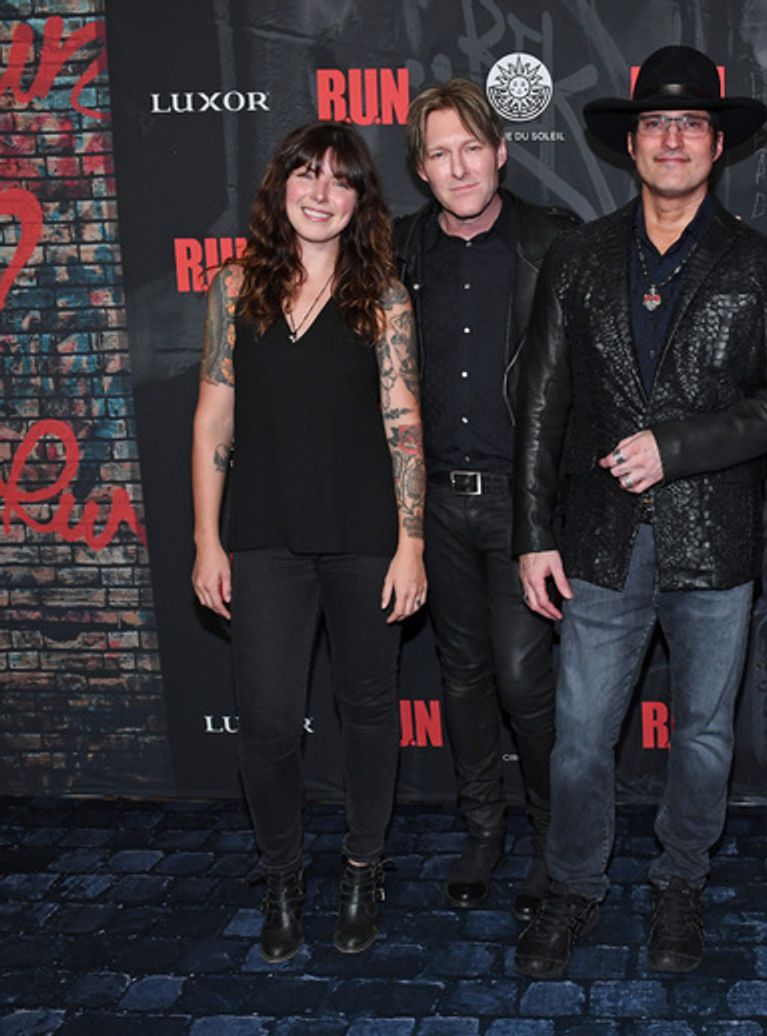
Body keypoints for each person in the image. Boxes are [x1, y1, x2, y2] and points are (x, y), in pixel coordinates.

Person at [512, 45, 767, 979]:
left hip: (714, 541)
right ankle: (572, 888)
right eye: (656, 124)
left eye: (691, 124)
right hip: (598, 543)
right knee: (578, 746)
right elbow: (540, 407)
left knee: (704, 739)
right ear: (631, 144)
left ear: (717, 147)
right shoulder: (578, 256)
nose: (673, 139)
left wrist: (673, 448)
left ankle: (680, 884)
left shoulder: (760, 264)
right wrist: (532, 536)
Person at [191, 121, 425, 963]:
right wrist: (204, 540)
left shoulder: (385, 296)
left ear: (361, 198)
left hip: (366, 536)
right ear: (280, 185)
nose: (320, 192)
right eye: (306, 174)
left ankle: (364, 867)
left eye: (340, 179)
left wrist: (411, 544)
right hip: (263, 539)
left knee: (367, 714)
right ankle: (282, 874)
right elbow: (215, 414)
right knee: (265, 723)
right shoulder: (234, 287)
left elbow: (404, 424)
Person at [392, 80, 578, 921]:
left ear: (501, 152)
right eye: (440, 152)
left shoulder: (551, 242)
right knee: (460, 676)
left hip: (519, 503)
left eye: (473, 146)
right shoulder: (397, 252)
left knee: (519, 675)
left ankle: (550, 837)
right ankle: (482, 830)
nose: (459, 166)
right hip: (430, 504)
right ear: (422, 169)